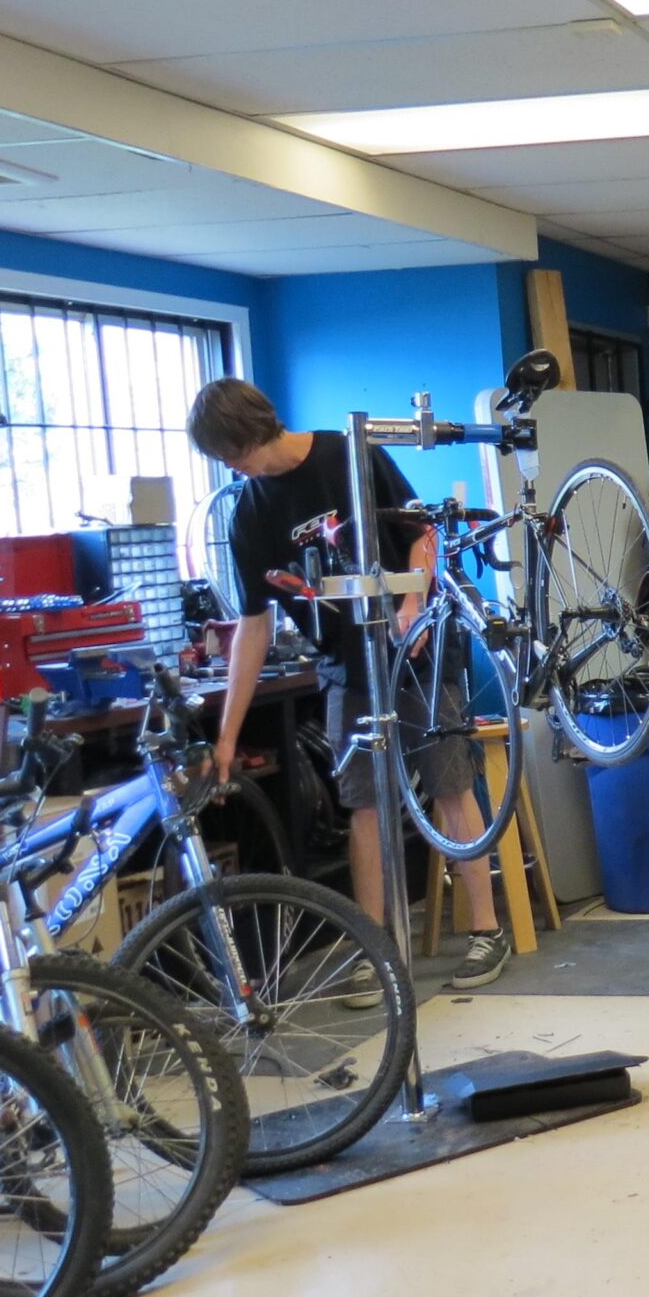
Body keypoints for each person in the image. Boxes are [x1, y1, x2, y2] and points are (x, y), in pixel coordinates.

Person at [187, 378, 512, 990]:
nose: (231, 466)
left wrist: (414, 600)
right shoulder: (248, 513)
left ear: (254, 429)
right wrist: (227, 736)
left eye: (232, 451)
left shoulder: (350, 453)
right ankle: (377, 949)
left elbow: (423, 532)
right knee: (364, 802)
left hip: (420, 650)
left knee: (449, 784)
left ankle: (486, 931)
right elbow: (253, 629)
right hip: (346, 665)